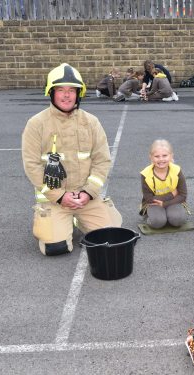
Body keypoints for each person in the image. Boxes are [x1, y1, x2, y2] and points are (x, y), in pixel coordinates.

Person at [22, 63, 122, 256]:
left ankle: (79, 218)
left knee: (112, 237)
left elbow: (102, 161)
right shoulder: (36, 124)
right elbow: (32, 166)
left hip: (86, 198)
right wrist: (59, 196)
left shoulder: (91, 122)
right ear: (51, 92)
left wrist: (89, 192)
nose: (66, 95)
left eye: (71, 90)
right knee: (55, 247)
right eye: (60, 90)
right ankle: (59, 219)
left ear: (79, 94)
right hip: (55, 199)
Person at [140, 140, 188, 229]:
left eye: (165, 155)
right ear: (151, 157)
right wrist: (172, 194)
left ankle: (168, 215)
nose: (161, 159)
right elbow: (149, 199)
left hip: (174, 201)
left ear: (171, 156)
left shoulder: (176, 170)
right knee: (158, 222)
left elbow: (183, 195)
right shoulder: (146, 174)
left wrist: (165, 204)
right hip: (154, 204)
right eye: (157, 156)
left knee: (178, 220)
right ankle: (150, 216)